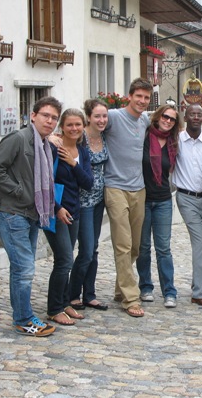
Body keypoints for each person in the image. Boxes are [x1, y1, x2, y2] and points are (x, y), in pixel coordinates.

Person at [0, 97, 62, 336]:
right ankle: (24, 319)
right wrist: (18, 191)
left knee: (20, 267)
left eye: (53, 118)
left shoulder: (43, 144)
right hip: (10, 211)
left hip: (30, 212)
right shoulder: (19, 139)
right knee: (25, 268)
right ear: (33, 115)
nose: (49, 121)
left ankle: (21, 315)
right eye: (45, 115)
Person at [105, 78, 152, 318]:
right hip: (114, 187)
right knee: (122, 244)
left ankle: (119, 289)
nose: (142, 101)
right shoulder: (113, 116)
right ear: (129, 96)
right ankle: (131, 299)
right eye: (139, 97)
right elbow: (89, 126)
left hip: (138, 188)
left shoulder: (144, 119)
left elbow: (169, 125)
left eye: (146, 98)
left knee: (135, 246)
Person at [43, 109, 94, 326]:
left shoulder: (82, 151)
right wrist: (57, 208)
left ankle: (64, 303)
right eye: (70, 125)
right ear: (62, 126)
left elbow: (88, 183)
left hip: (74, 210)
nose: (74, 128)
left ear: (83, 126)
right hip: (55, 211)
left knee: (67, 259)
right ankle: (54, 308)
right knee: (64, 259)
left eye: (78, 124)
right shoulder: (53, 148)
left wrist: (74, 164)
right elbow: (44, 182)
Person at [136, 104, 182, 308]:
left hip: (163, 200)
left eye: (172, 119)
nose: (168, 121)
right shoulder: (144, 136)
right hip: (143, 198)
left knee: (163, 248)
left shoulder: (174, 142)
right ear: (157, 116)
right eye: (165, 116)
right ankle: (145, 287)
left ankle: (169, 291)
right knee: (143, 247)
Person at [172, 104, 202, 308]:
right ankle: (199, 293)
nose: (196, 117)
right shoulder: (177, 139)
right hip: (186, 198)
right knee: (199, 242)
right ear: (186, 117)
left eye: (200, 114)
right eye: (192, 114)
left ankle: (196, 282)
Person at [68, 99, 109, 312]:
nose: (101, 120)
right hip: (82, 201)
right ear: (88, 117)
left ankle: (89, 294)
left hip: (99, 200)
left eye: (104, 116)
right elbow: (62, 139)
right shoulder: (80, 137)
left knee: (93, 249)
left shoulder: (105, 135)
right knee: (85, 250)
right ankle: (72, 294)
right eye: (97, 116)